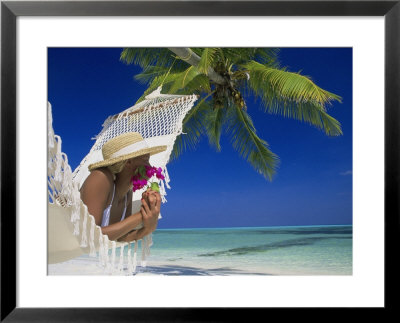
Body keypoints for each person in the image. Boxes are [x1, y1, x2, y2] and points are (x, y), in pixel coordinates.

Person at [80, 132, 167, 243]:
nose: (149, 166)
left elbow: (120, 237)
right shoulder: (100, 178)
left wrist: (148, 227)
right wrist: (141, 215)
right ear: (129, 162)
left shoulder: (127, 192)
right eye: (145, 160)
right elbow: (89, 235)